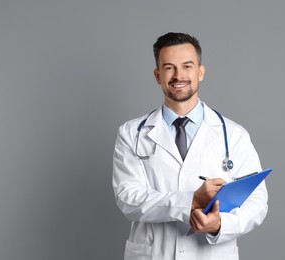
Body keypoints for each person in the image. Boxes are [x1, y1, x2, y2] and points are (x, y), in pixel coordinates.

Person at [112, 32, 268, 260]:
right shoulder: (131, 133)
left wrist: (220, 224)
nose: (178, 75)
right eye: (169, 68)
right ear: (157, 75)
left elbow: (257, 203)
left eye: (187, 66)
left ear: (200, 72)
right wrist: (191, 201)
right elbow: (128, 198)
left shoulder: (234, 135)